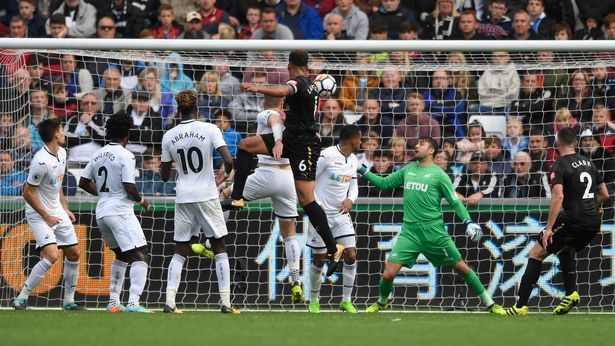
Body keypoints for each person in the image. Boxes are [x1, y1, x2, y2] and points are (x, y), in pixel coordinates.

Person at [221, 49, 344, 273]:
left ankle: (333, 247)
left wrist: (257, 87)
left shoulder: (299, 83)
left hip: (304, 146)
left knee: (307, 199)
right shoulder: (312, 85)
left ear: (290, 65)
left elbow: (283, 90)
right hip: (291, 139)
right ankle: (237, 198)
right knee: (245, 146)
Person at [361, 137, 505, 315]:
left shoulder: (439, 175)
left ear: (431, 151)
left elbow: (454, 202)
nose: (416, 146)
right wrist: (361, 169)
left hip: (434, 233)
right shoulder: (409, 169)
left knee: (461, 267)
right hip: (410, 233)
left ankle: (490, 303)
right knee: (388, 274)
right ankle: (382, 302)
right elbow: (383, 184)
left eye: (421, 144)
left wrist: (468, 221)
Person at [504, 127, 609, 315]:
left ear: (557, 143)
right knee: (565, 248)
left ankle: (519, 307)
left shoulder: (559, 165)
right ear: (576, 142)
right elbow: (604, 194)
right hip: (593, 221)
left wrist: (549, 228)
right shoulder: (589, 163)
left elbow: (558, 196)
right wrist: (592, 207)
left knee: (536, 253)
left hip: (574, 218)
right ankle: (571, 293)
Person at [215, 95, 303, 303]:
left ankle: (213, 242)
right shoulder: (293, 120)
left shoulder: (268, 113)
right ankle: (296, 280)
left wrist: (278, 139)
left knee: (226, 195)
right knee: (289, 233)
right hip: (287, 178)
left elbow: (274, 122)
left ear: (266, 102)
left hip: (266, 173)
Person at [159, 90, 239, 314]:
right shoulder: (210, 129)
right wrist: (223, 176)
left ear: (178, 110)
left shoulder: (169, 135)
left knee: (180, 249)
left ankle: (169, 302)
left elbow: (164, 176)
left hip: (183, 195)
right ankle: (225, 302)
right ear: (197, 109)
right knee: (219, 245)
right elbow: (228, 159)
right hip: (206, 194)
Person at [78, 113, 152, 313]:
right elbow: (129, 185)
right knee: (141, 254)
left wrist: (103, 194)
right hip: (120, 211)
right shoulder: (126, 155)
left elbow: (82, 182)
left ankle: (113, 302)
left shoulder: (98, 154)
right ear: (127, 134)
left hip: (102, 212)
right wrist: (142, 201)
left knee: (122, 254)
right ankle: (134, 303)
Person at [14, 119, 82, 311]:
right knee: (52, 255)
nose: (64, 133)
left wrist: (65, 207)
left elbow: (57, 185)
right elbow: (27, 193)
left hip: (56, 211)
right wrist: (46, 215)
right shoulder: (40, 161)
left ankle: (68, 301)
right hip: (38, 213)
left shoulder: (62, 153)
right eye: (62, 130)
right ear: (55, 135)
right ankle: (21, 298)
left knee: (74, 253)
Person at [307, 125, 361, 314]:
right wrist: (315, 203)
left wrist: (350, 199)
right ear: (352, 140)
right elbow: (308, 179)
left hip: (341, 215)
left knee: (351, 254)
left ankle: (346, 301)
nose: (360, 143)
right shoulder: (326, 155)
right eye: (359, 139)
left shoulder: (353, 159)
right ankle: (313, 300)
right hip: (321, 216)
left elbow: (353, 185)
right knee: (320, 259)